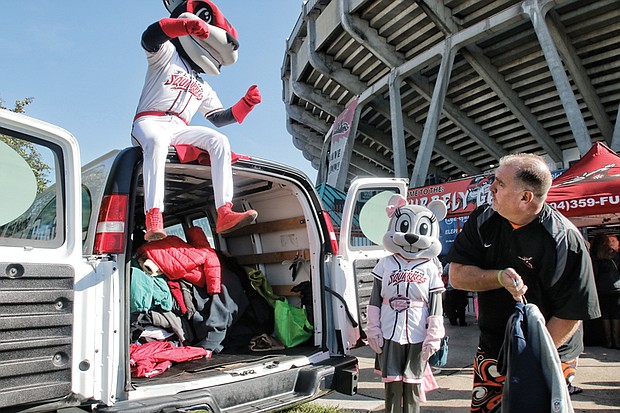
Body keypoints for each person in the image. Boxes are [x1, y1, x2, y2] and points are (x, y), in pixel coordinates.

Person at [447, 153, 600, 413]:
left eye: (500, 183)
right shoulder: (484, 220)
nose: (491, 188)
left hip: (551, 348)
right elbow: (457, 276)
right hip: (494, 347)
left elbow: (570, 314)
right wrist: (498, 277)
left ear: (525, 197)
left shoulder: (564, 241)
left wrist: (530, 359)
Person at [131, 0, 260, 241]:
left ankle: (224, 212)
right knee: (157, 142)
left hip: (180, 128)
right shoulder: (167, 55)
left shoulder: (204, 85)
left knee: (219, 140)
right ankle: (154, 216)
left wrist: (246, 105)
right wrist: (183, 25)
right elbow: (149, 38)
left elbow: (218, 118)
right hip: (149, 120)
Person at [365, 195, 447, 413]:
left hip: (417, 331)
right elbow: (374, 299)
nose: (411, 236)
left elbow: (436, 305)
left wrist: (434, 335)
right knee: (392, 384)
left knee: (412, 385)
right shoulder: (385, 263)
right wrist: (372, 329)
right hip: (389, 330)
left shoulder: (430, 268)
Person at [590, 234, 620, 349]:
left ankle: (608, 341)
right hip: (616, 288)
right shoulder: (614, 255)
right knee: (616, 314)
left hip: (601, 289)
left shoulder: (594, 256)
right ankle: (617, 341)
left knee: (605, 315)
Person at [442, 262, 469, 326]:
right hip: (462, 287)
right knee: (461, 306)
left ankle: (453, 321)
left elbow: (443, 272)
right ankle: (462, 322)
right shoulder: (464, 264)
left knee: (451, 306)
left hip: (451, 286)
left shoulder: (450, 264)